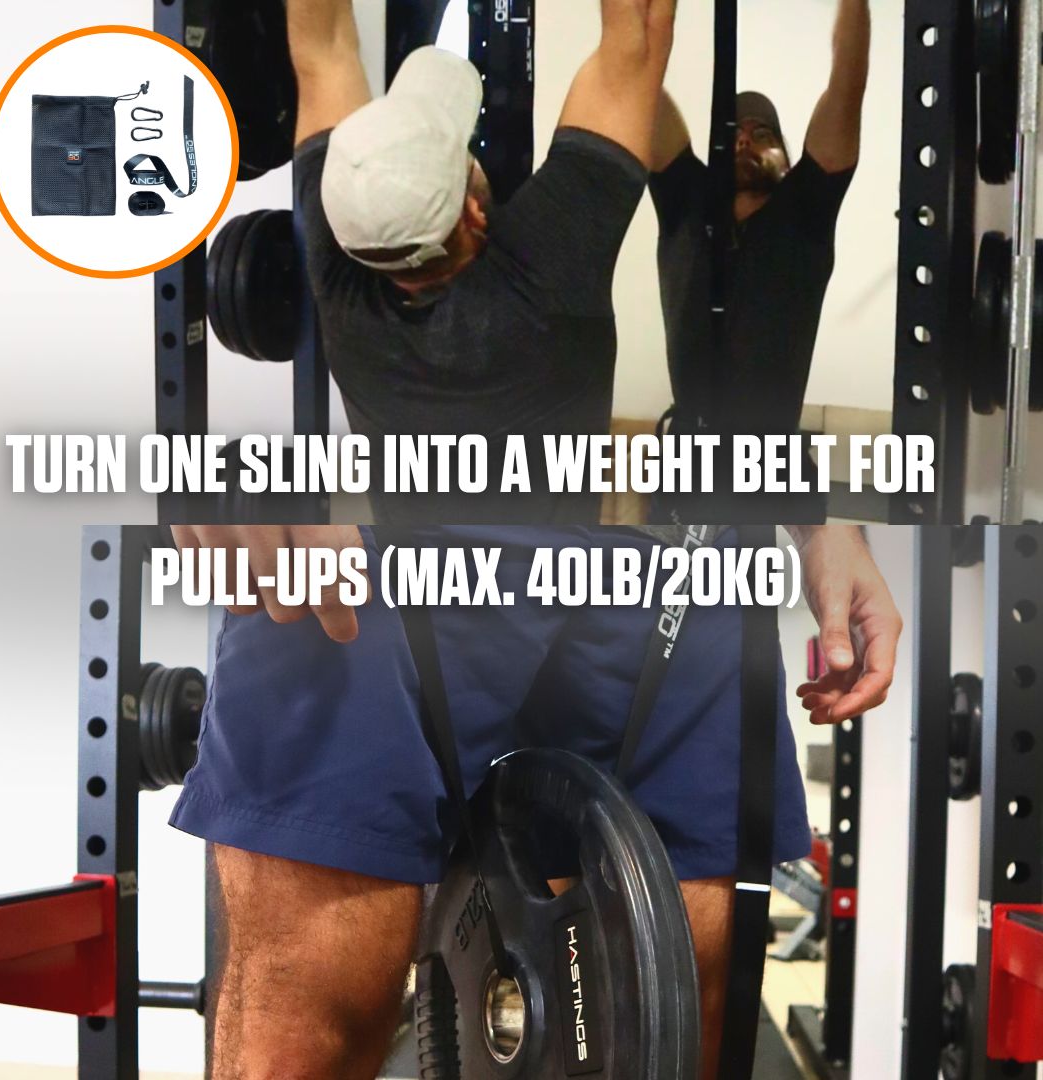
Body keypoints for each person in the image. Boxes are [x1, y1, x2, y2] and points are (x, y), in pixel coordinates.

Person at [169, 522, 901, 1080]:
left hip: (686, 545)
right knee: (297, 1046)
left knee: (666, 1034)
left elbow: (772, 319)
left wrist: (824, 523)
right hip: (388, 516)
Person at [286, 0, 674, 524]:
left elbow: (321, 53)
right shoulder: (545, 278)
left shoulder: (338, 287)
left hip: (417, 601)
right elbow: (638, 35)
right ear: (473, 210)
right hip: (558, 600)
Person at [649, 0, 870, 520]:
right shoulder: (686, 205)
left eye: (761, 134)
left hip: (775, 477)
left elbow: (848, 81)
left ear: (789, 160)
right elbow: (640, 84)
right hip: (684, 471)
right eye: (733, 134)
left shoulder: (804, 215)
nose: (744, 139)